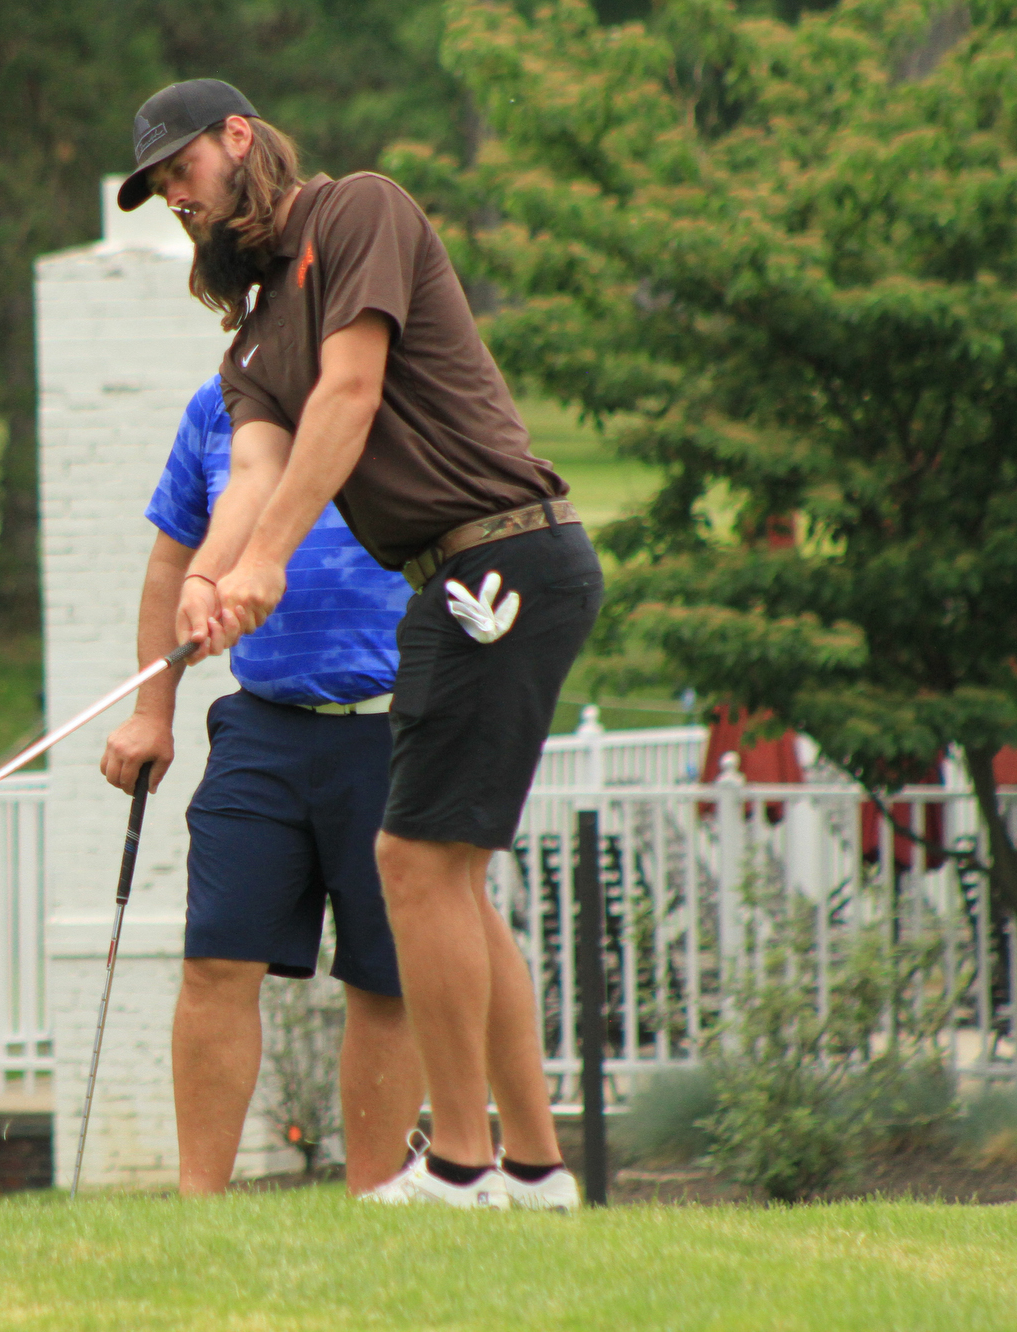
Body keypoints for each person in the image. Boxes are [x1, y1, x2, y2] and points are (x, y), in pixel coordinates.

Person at [118, 79, 595, 1210]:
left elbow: (352, 389)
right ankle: (530, 1170)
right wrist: (209, 580)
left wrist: (266, 563)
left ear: (237, 137)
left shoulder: (358, 213)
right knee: (447, 878)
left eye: (180, 171)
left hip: (504, 557)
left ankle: (470, 1168)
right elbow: (253, 474)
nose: (175, 199)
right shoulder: (252, 343)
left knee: (413, 866)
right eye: (159, 193)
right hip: (451, 578)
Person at [101, 374, 423, 1196]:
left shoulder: (401, 394)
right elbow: (172, 560)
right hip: (263, 723)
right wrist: (152, 712)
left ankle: (376, 1201)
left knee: (385, 977)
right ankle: (198, 1205)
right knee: (215, 959)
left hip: (398, 729)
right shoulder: (215, 408)